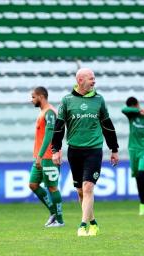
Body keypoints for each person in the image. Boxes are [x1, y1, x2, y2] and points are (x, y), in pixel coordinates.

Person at [52, 68, 119, 237]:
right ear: (80, 80)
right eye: (91, 78)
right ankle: (93, 222)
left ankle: (82, 226)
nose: (94, 81)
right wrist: (55, 150)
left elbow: (108, 126)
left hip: (94, 150)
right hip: (74, 151)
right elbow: (59, 127)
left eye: (94, 78)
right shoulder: (66, 101)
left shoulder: (99, 100)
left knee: (88, 187)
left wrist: (114, 149)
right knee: (81, 191)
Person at [29, 86, 64, 227]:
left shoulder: (50, 112)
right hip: (41, 157)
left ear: (41, 97)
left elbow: (49, 136)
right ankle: (53, 212)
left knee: (52, 188)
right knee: (33, 184)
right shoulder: (43, 112)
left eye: (33, 97)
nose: (31, 100)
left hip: (49, 157)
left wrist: (40, 155)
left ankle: (60, 221)